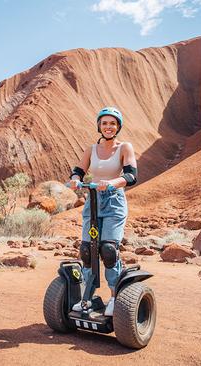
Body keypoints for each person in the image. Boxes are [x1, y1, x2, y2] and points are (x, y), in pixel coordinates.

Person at [68, 106, 138, 316]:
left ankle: (115, 297)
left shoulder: (125, 147)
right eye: (105, 123)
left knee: (108, 250)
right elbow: (78, 170)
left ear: (118, 127)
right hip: (93, 201)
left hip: (113, 202)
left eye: (112, 123)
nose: (108, 127)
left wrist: (112, 183)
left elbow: (131, 175)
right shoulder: (91, 149)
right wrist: (74, 180)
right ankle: (87, 298)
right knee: (87, 251)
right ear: (99, 125)